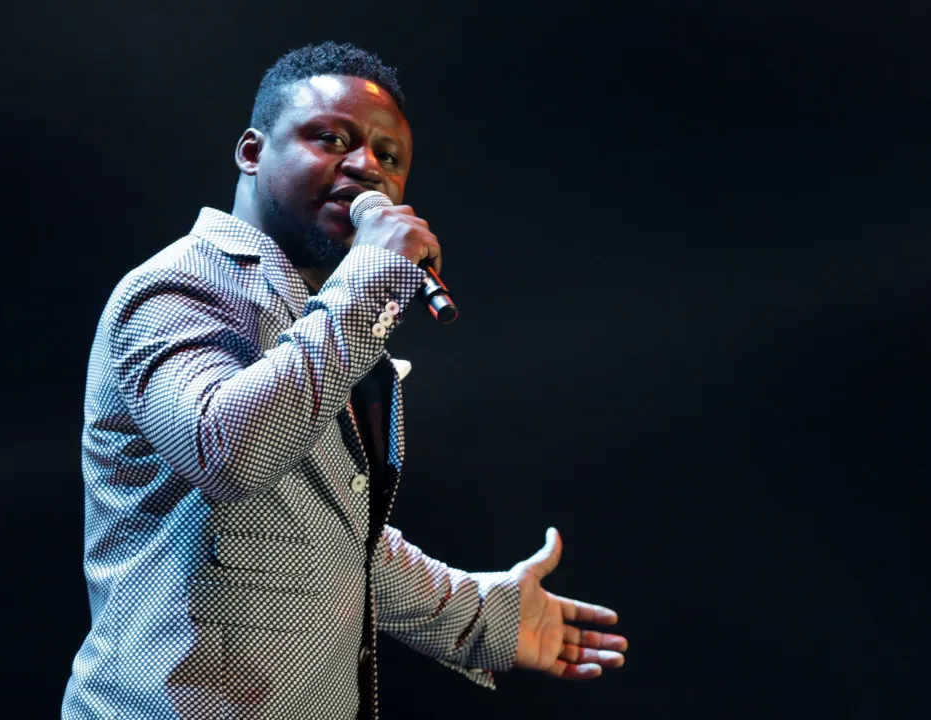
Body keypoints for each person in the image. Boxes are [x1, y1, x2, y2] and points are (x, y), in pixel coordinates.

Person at [60, 41, 628, 720]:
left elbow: (330, 538)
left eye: (391, 158)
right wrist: (371, 281)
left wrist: (485, 616)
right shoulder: (176, 287)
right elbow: (226, 451)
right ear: (252, 152)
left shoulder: (322, 319)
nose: (367, 168)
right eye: (332, 138)